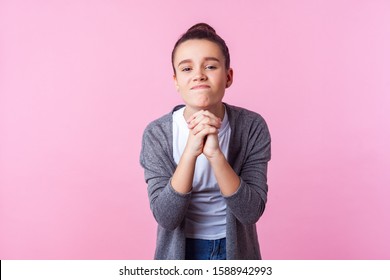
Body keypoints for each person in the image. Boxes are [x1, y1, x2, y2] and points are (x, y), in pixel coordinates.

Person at [140, 23, 271, 260]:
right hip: (181, 254)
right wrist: (190, 153)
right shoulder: (157, 134)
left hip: (236, 254)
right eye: (187, 68)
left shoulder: (251, 127)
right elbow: (166, 217)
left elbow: (250, 212)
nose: (199, 74)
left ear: (228, 76)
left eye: (210, 66)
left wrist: (215, 155)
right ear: (176, 81)